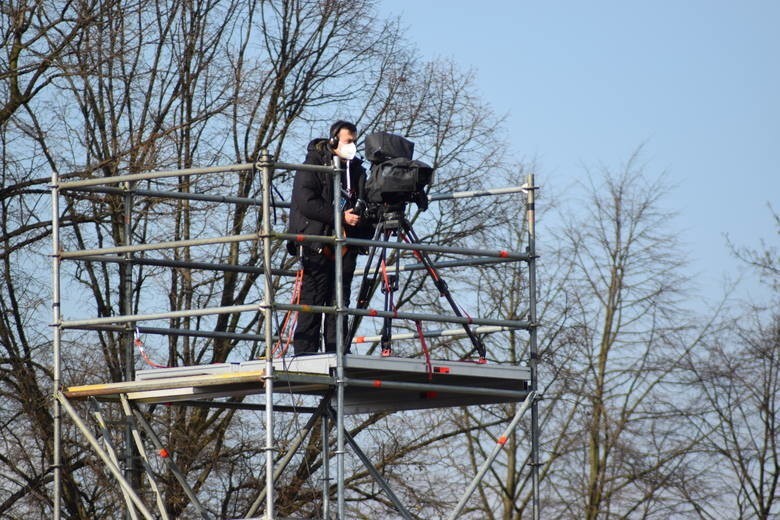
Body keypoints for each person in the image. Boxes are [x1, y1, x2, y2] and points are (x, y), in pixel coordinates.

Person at [286, 121, 372, 355]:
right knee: (312, 299)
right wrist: (340, 217)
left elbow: (365, 203)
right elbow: (307, 203)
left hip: (345, 246)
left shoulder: (356, 171)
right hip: (316, 242)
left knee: (339, 302)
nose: (353, 146)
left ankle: (337, 352)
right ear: (334, 141)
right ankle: (305, 354)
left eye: (355, 141)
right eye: (349, 141)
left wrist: (360, 218)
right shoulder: (312, 165)